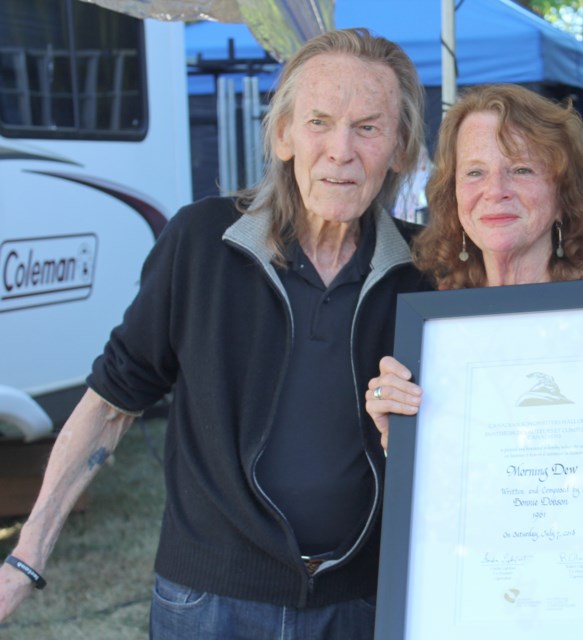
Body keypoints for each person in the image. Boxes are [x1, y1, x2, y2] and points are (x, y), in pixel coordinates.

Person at [0, 28, 428, 639]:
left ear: (400, 147)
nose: (341, 150)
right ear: (282, 135)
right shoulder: (202, 242)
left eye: (367, 127)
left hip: (358, 603)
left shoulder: (425, 271)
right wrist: (27, 555)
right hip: (210, 601)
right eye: (318, 122)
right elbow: (113, 403)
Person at [365, 84, 583, 448]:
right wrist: (399, 440)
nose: (495, 190)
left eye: (521, 169)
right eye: (474, 173)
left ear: (563, 193)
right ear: (453, 196)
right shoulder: (432, 333)